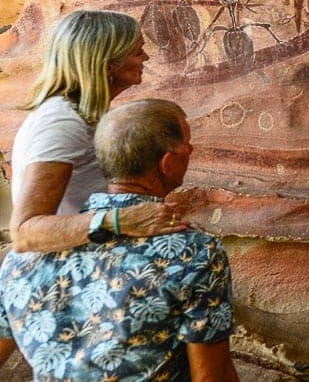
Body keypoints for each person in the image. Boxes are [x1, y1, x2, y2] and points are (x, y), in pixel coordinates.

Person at [0, 98, 239, 381]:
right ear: (167, 163)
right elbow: (212, 376)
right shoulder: (195, 252)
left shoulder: (20, 259)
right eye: (186, 142)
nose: (191, 149)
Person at [8, 9, 187, 252]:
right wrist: (120, 220)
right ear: (108, 62)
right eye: (137, 51)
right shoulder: (61, 122)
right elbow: (24, 233)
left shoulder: (87, 114)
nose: (145, 57)